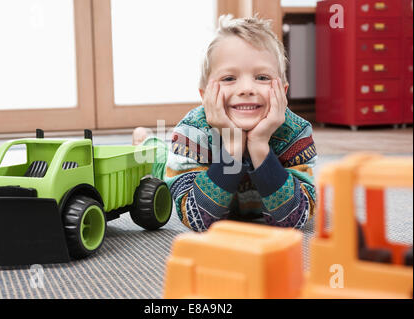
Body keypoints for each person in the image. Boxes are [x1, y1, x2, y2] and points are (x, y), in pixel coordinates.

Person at [133, 15, 317, 232]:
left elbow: (294, 219)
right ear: (205, 95)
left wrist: (259, 146)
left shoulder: (296, 134)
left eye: (262, 77)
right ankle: (145, 140)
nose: (247, 89)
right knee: (159, 157)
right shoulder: (192, 132)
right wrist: (232, 147)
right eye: (229, 78)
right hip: (180, 156)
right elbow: (197, 219)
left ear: (283, 92)